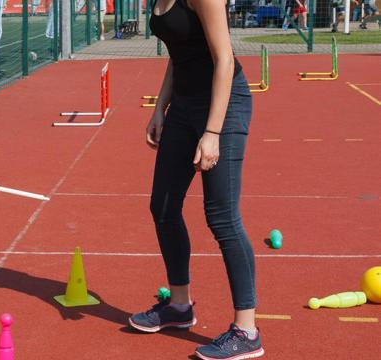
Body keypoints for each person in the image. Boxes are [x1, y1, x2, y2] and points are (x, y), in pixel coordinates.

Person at [131, 0, 261, 359]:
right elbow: (179, 53)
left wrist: (213, 132)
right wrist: (160, 108)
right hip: (184, 106)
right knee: (164, 206)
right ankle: (179, 306)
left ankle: (247, 330)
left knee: (221, 216)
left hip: (223, 103)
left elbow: (224, 60)